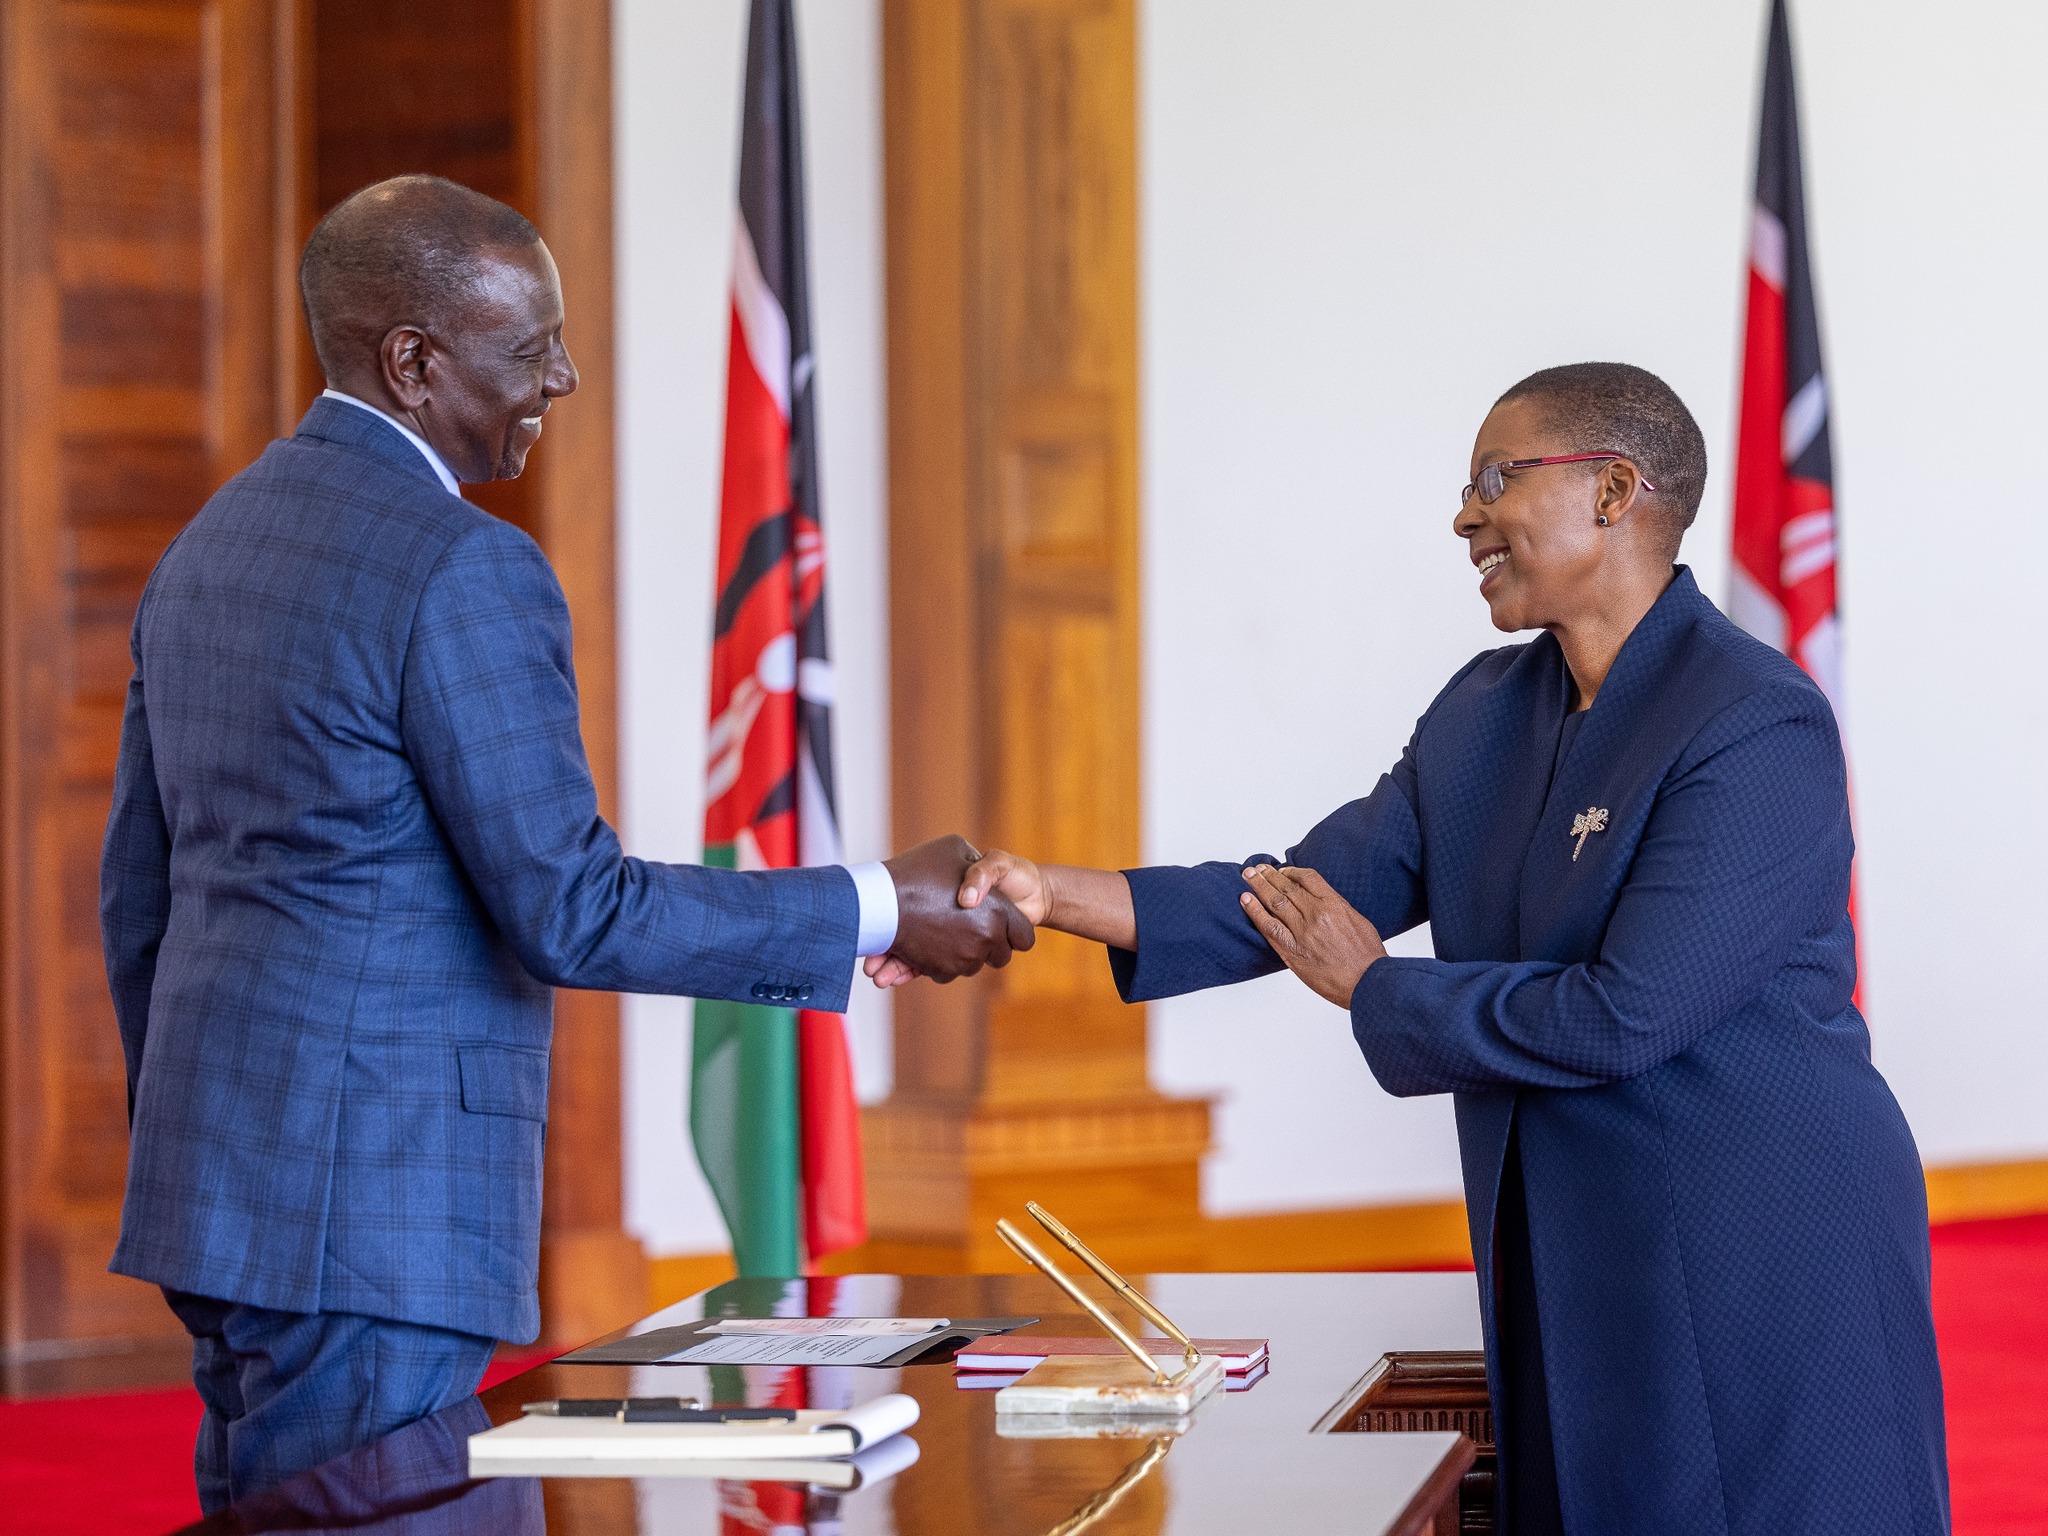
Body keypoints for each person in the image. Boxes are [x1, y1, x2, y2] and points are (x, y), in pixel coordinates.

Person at [100, 174, 1029, 1512]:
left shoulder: (211, 544)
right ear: (414, 362)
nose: (566, 375)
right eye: (533, 346)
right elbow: (570, 906)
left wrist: (211, 1133)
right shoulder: (459, 565)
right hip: (375, 1215)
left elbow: (138, 897)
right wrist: (879, 904)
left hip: (225, 1190)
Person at [922, 364, 1949, 1534]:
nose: (1463, 515)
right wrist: (1048, 891)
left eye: (1493, 480)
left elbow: (1627, 1014)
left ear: (1613, 492)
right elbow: (1299, 897)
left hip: (1756, 1244)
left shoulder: (1753, 719)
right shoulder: (1481, 713)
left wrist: (1375, 988)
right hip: (1567, 1240)